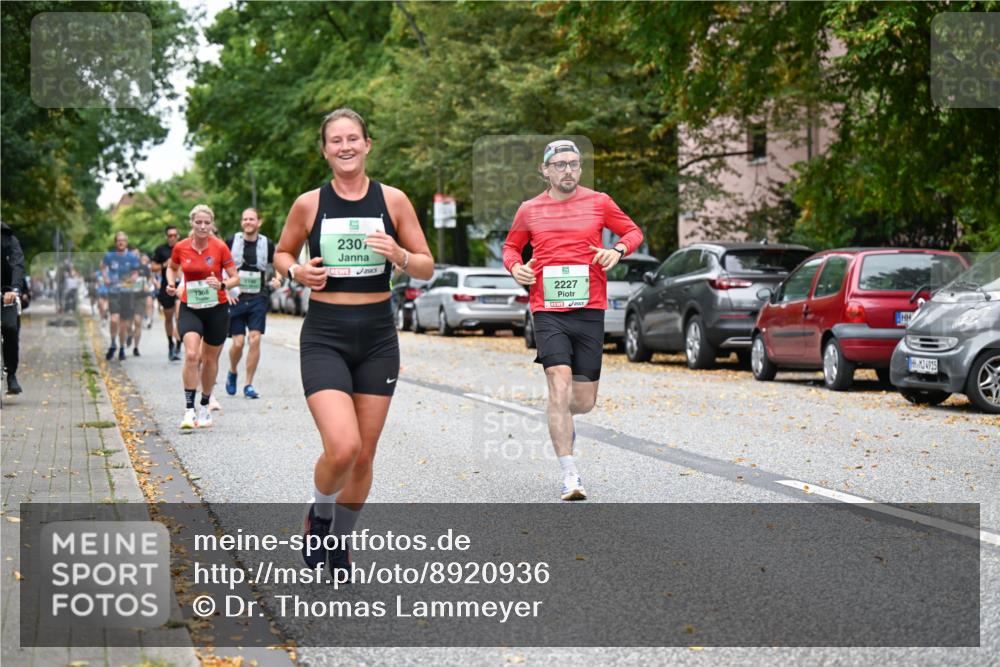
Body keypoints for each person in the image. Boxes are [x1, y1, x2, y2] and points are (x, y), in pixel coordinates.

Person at [274, 108, 433, 574]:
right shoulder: (309, 203)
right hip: (325, 334)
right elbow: (282, 252)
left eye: (353, 138)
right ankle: (319, 513)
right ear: (325, 150)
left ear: (367, 144)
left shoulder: (395, 201)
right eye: (335, 140)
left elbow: (426, 264)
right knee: (342, 446)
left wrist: (400, 254)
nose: (345, 146)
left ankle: (341, 542)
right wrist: (295, 271)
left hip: (378, 336)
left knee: (364, 454)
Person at [502, 139, 644, 501]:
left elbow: (633, 232)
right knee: (558, 384)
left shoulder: (599, 202)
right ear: (545, 170)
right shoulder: (529, 210)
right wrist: (516, 268)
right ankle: (570, 475)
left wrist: (617, 250)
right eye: (560, 164)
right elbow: (511, 248)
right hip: (547, 310)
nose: (568, 170)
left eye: (574, 164)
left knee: (582, 401)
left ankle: (565, 424)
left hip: (589, 308)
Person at [165, 204, 239, 429]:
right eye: (199, 222)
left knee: (209, 360)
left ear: (212, 224)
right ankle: (189, 411)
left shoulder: (220, 247)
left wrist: (223, 283)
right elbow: (171, 267)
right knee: (191, 354)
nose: (203, 226)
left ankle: (205, 406)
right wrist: (172, 283)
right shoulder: (181, 247)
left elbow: (236, 277)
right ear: (192, 223)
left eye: (207, 223)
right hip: (190, 306)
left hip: (216, 308)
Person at [224, 207, 281, 399]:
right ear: (242, 222)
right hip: (237, 296)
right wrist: (226, 289)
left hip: (258, 296)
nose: (248, 222)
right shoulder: (232, 241)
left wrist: (278, 278)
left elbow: (278, 262)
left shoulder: (267, 243)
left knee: (255, 338)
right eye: (245, 219)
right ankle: (232, 371)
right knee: (238, 343)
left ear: (259, 222)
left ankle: (248, 384)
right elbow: (220, 264)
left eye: (251, 219)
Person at [102, 231, 140, 361]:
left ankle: (122, 347)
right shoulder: (109, 256)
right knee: (114, 319)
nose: (121, 242)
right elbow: (103, 267)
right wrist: (106, 277)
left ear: (126, 242)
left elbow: (135, 273)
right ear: (115, 242)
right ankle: (113, 343)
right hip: (113, 291)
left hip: (127, 292)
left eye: (123, 240)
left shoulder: (132, 257)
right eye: (119, 240)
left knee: (123, 323)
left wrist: (132, 280)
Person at [2, 221, 25, 395]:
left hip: (6, 293)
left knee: (10, 328)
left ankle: (11, 374)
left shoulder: (9, 238)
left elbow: (17, 265)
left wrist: (15, 289)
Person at [152, 225, 182, 361]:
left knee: (179, 316)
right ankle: (170, 343)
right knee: (169, 317)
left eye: (175, 235)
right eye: (170, 235)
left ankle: (178, 345)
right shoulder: (161, 250)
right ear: (166, 237)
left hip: (181, 286)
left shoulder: (184, 248)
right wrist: (164, 264)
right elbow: (153, 267)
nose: (172, 238)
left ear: (178, 236)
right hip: (167, 287)